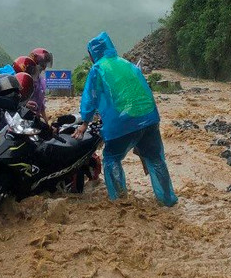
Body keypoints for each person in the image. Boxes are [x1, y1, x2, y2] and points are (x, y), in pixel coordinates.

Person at [72, 32, 177, 207]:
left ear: (93, 53)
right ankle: (168, 200)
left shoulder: (98, 68)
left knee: (111, 158)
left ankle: (121, 204)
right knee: (156, 159)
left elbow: (91, 98)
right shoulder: (128, 64)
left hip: (123, 123)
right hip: (150, 118)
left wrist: (84, 124)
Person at [29, 48, 53, 123]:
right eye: (43, 63)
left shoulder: (40, 80)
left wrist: (47, 123)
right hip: (24, 118)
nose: (44, 67)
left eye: (45, 64)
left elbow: (41, 105)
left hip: (35, 119)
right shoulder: (26, 79)